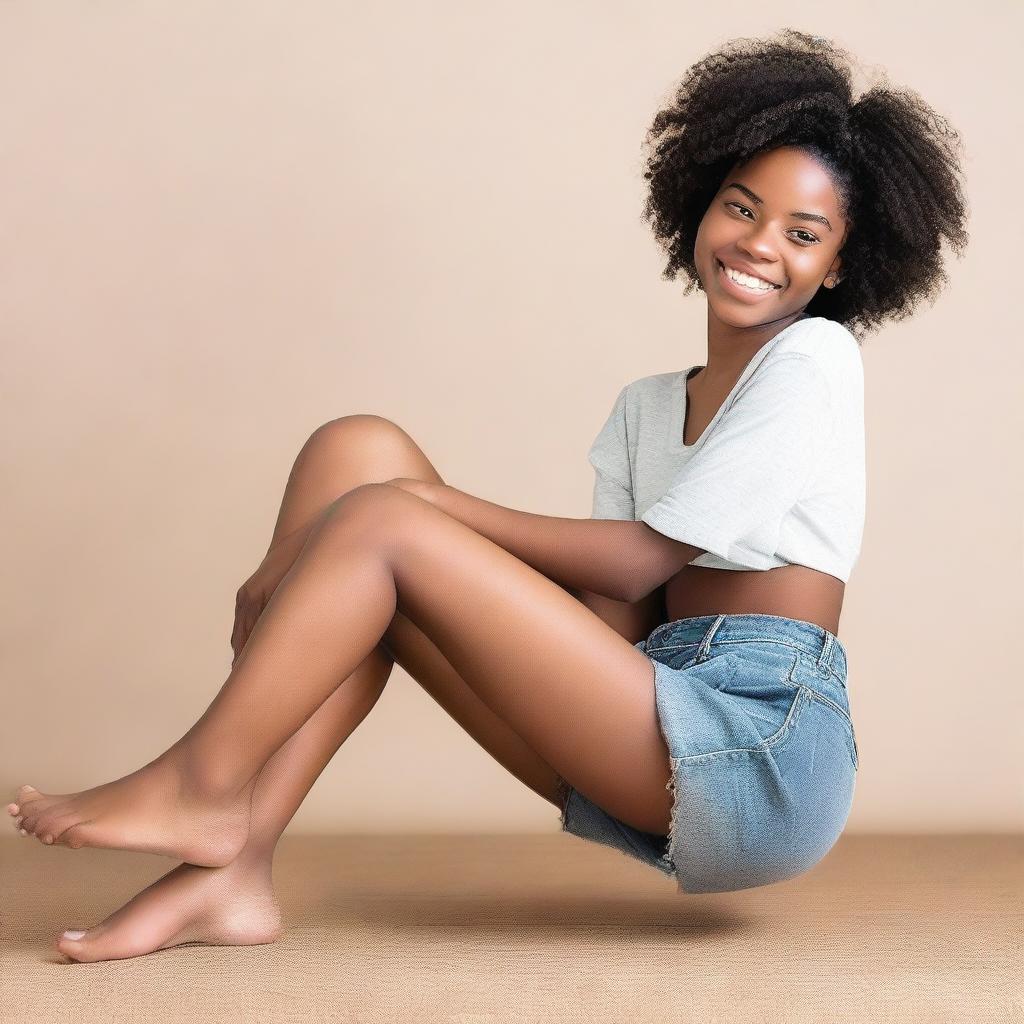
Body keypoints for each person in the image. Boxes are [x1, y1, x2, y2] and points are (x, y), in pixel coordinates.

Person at [9, 28, 968, 962]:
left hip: (763, 753)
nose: (760, 244)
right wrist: (332, 573)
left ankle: (204, 777)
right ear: (697, 206)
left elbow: (643, 555)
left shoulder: (815, 357)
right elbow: (614, 624)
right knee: (359, 452)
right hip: (652, 715)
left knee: (383, 517)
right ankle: (232, 869)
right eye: (740, 207)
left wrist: (418, 517)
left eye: (803, 234)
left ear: (840, 266)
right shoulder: (645, 409)